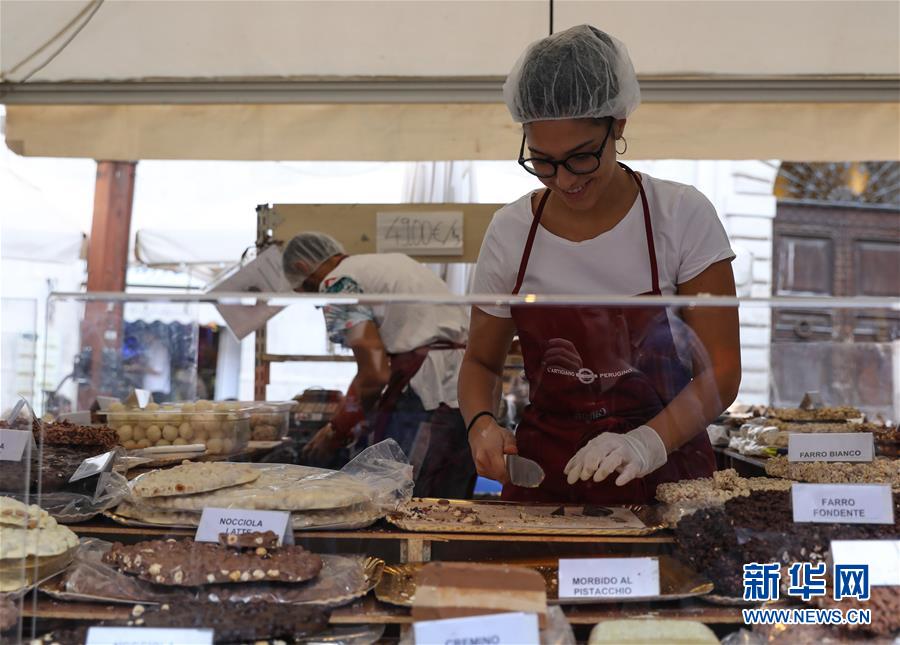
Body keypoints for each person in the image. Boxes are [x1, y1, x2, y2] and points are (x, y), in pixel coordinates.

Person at [459, 25, 741, 504]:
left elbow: (722, 369)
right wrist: (480, 423)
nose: (564, 180)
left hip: (668, 476)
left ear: (619, 125)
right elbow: (481, 361)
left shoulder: (681, 215)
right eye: (543, 162)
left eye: (581, 157)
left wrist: (646, 442)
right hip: (549, 477)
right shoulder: (511, 232)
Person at [282, 233, 477, 499]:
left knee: (414, 502)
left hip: (429, 395)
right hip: (466, 390)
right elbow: (375, 364)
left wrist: (337, 430)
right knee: (452, 507)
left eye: (305, 291)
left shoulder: (338, 283)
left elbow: (374, 374)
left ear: (303, 268)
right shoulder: (388, 264)